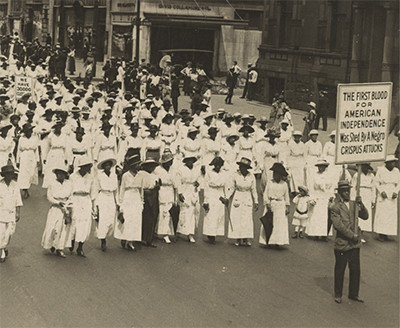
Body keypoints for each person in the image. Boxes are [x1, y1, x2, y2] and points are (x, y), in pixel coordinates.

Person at [330, 180, 368, 304]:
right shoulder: (335, 207)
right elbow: (338, 225)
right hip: (343, 243)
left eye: (348, 190)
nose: (347, 193)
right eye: (344, 191)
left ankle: (353, 294)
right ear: (340, 193)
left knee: (355, 269)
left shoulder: (354, 204)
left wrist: (361, 204)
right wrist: (352, 235)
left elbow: (365, 216)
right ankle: (338, 294)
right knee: (340, 269)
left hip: (354, 244)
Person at [226, 157, 258, 246]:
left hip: (247, 197)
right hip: (238, 196)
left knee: (247, 218)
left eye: (243, 167)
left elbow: (254, 190)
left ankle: (246, 238)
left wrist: (256, 201)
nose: (241, 168)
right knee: (237, 218)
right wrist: (227, 198)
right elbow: (232, 188)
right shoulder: (235, 175)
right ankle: (238, 238)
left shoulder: (251, 176)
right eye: (240, 166)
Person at [41, 166, 72, 258]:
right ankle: (52, 244)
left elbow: (71, 195)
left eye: (62, 174)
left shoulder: (69, 183)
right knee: (53, 228)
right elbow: (49, 197)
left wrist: (68, 205)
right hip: (55, 208)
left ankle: (60, 248)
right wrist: (58, 202)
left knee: (63, 229)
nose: (60, 175)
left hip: (66, 207)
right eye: (58, 174)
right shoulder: (52, 183)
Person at [68, 156, 96, 257]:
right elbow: (70, 191)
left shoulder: (91, 177)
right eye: (87, 166)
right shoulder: (73, 177)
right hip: (76, 200)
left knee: (85, 223)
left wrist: (94, 207)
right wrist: (69, 204)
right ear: (81, 167)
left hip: (86, 200)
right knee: (74, 222)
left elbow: (93, 193)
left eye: (89, 166)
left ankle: (80, 247)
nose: (89, 168)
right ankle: (71, 243)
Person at [115, 155, 143, 251]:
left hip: (136, 198)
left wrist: (141, 202)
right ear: (132, 165)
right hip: (128, 197)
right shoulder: (125, 176)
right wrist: (121, 204)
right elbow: (121, 189)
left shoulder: (140, 175)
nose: (139, 166)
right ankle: (124, 237)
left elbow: (141, 190)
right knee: (128, 219)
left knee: (135, 220)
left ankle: (131, 242)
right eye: (137, 164)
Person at [259, 162, 290, 247]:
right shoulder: (270, 182)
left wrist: (287, 206)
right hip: (271, 204)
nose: (274, 175)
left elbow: (287, 196)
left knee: (279, 224)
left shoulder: (284, 184)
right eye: (273, 173)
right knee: (269, 222)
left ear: (280, 175)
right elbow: (265, 194)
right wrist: (267, 203)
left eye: (276, 173)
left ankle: (278, 242)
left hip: (281, 205)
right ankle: (268, 241)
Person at [373, 155, 400, 242]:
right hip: (383, 193)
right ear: (387, 163)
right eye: (392, 162)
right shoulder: (380, 170)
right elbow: (376, 182)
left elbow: (399, 183)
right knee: (382, 214)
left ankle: (387, 233)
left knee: (390, 215)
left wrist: (396, 191)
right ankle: (381, 234)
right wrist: (381, 191)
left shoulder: (397, 171)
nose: (393, 164)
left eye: (394, 162)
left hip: (392, 193)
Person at [95, 158, 119, 252]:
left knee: (111, 220)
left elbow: (116, 191)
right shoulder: (99, 176)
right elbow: (96, 190)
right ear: (103, 167)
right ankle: (102, 240)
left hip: (111, 197)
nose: (108, 167)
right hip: (103, 197)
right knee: (103, 219)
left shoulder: (114, 176)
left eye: (109, 165)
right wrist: (96, 204)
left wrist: (118, 203)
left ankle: (106, 236)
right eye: (106, 165)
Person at [203, 156, 228, 245]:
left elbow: (226, 186)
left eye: (219, 165)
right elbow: (206, 187)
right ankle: (210, 235)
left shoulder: (224, 173)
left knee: (219, 215)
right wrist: (206, 200)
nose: (217, 166)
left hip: (220, 194)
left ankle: (215, 233)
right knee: (211, 215)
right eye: (216, 165)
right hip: (211, 193)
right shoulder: (209, 173)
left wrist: (226, 197)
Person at [0, 164, 22, 263]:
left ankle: (3, 247)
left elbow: (18, 199)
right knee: (1, 233)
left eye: (12, 174)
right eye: (9, 174)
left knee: (9, 233)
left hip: (11, 213)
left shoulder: (15, 185)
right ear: (5, 175)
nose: (11, 176)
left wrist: (18, 212)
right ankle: (2, 252)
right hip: (1, 212)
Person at [176, 156, 201, 243]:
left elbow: (199, 179)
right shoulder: (180, 169)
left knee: (193, 213)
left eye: (191, 161)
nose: (190, 162)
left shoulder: (196, 169)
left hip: (193, 191)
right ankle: (179, 230)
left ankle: (190, 234)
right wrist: (180, 193)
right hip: (184, 190)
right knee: (184, 212)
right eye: (188, 160)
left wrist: (198, 184)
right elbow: (178, 182)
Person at [307, 159, 334, 241]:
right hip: (317, 195)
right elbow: (311, 187)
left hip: (326, 196)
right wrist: (312, 198)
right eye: (319, 166)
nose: (320, 168)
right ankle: (316, 233)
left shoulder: (329, 175)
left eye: (322, 166)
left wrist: (331, 196)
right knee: (317, 215)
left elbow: (332, 186)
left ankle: (324, 234)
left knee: (325, 216)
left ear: (325, 167)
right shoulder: (314, 175)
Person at [155, 150, 176, 244]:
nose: (170, 163)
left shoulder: (173, 170)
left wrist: (176, 197)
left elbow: (176, 183)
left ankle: (166, 232)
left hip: (170, 191)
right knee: (163, 212)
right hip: (162, 191)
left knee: (169, 213)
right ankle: (164, 234)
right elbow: (155, 182)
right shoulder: (158, 170)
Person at [350, 163, 375, 242]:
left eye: (366, 167)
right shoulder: (357, 175)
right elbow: (353, 187)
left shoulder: (371, 176)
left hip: (368, 195)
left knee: (365, 214)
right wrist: (353, 198)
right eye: (363, 166)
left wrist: (373, 199)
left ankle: (362, 235)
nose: (365, 168)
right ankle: (356, 234)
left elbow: (373, 188)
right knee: (358, 215)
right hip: (359, 194)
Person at [139, 158, 160, 248]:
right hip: (145, 195)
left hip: (154, 195)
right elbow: (141, 187)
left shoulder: (155, 175)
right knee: (145, 217)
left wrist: (157, 187)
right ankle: (142, 238)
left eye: (153, 165)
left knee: (153, 216)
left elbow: (158, 184)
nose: (152, 167)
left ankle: (149, 238)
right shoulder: (141, 174)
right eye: (150, 165)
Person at [16, 123, 39, 199]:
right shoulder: (22, 139)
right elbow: (18, 150)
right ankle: (25, 189)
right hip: (24, 156)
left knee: (31, 173)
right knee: (24, 173)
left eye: (31, 130)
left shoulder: (34, 138)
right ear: (25, 132)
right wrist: (17, 161)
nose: (30, 132)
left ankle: (26, 187)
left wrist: (38, 159)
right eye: (28, 131)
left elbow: (36, 150)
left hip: (32, 156)